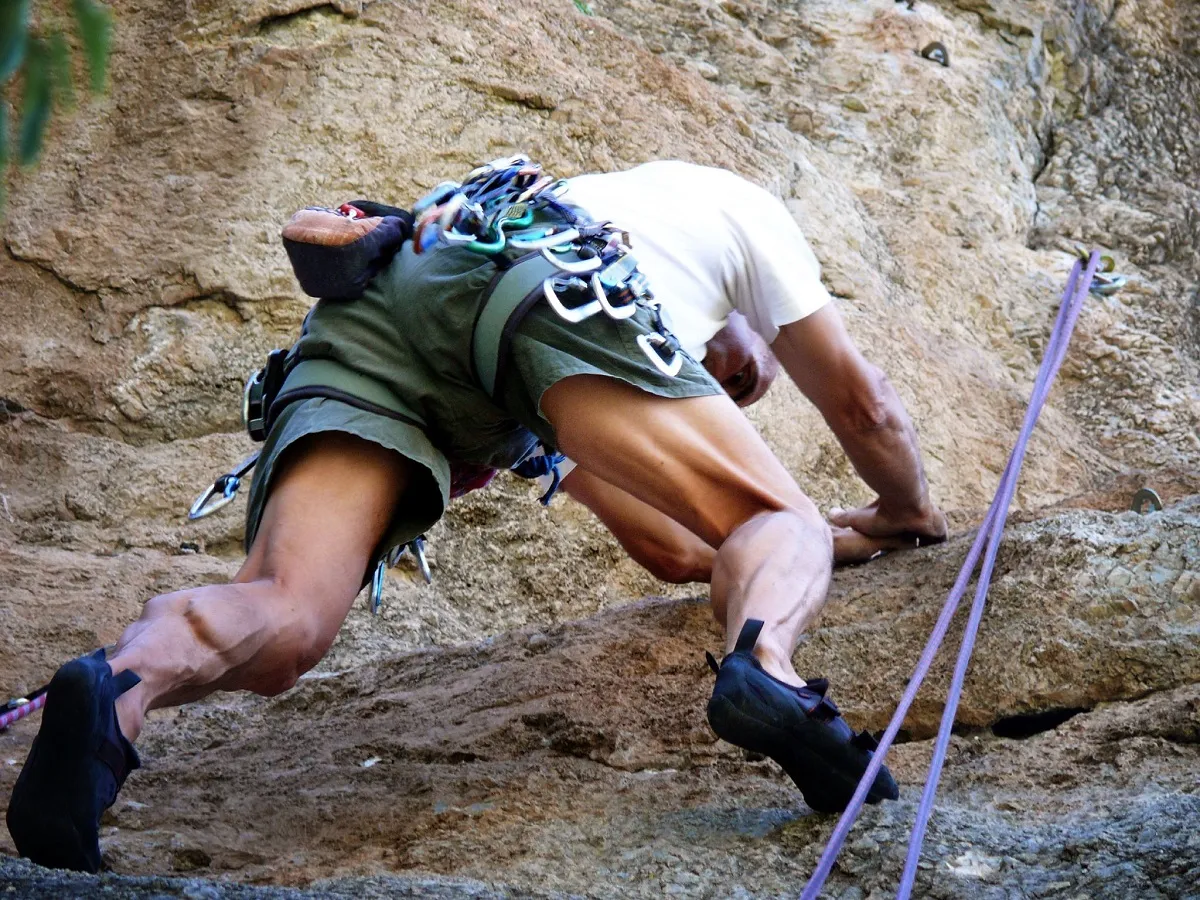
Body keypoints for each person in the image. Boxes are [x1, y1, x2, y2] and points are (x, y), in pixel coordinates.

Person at [6, 158, 947, 872]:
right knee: (770, 513)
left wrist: (832, 539)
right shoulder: (738, 210)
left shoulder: (562, 256)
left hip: (385, 312)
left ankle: (121, 688)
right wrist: (904, 512)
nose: (720, 388)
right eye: (732, 377)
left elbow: (673, 545)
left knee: (286, 616)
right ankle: (770, 666)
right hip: (550, 285)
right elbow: (865, 409)